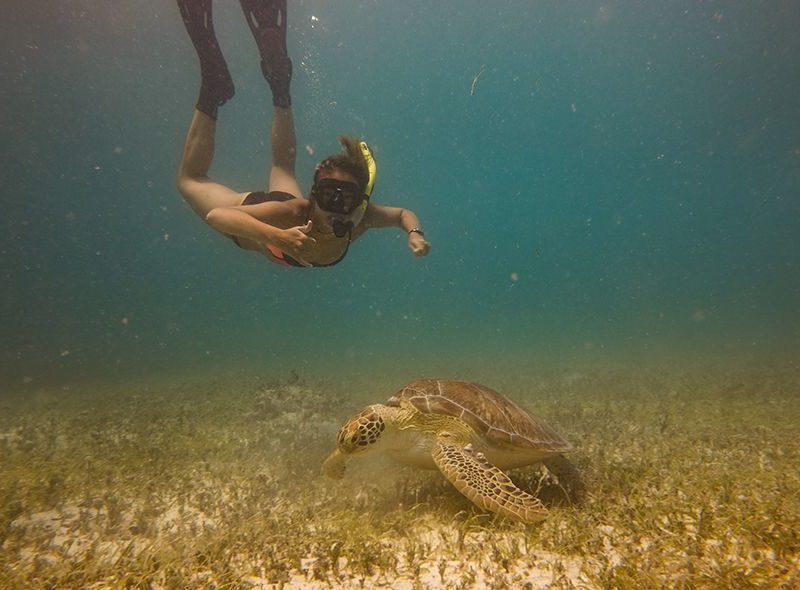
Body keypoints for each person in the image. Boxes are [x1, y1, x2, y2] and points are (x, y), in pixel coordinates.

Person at [176, 0, 430, 268]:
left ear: (359, 201)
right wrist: (276, 236)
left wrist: (415, 234)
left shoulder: (362, 217)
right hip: (269, 214)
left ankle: (279, 86)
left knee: (283, 167)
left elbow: (403, 214)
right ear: (313, 194)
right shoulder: (293, 213)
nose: (334, 207)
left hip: (286, 206)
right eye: (328, 193)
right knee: (189, 179)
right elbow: (218, 216)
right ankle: (212, 91)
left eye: (344, 198)